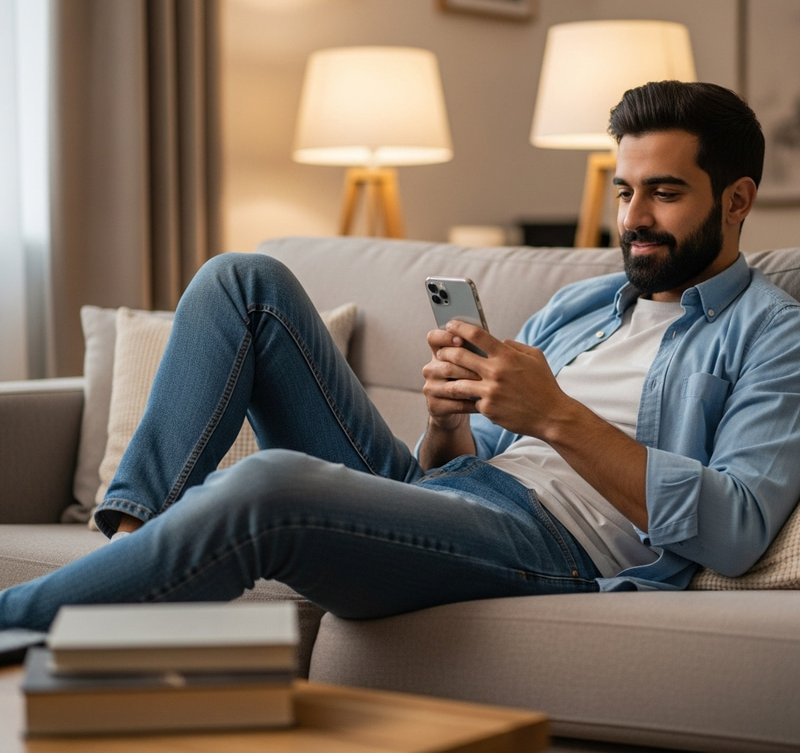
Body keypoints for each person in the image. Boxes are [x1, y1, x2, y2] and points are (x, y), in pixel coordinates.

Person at [2, 80, 799, 632]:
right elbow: (470, 462)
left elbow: (734, 529)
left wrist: (557, 416)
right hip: (456, 492)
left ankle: (19, 621)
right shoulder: (585, 303)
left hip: (551, 547)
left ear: (735, 200)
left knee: (269, 483)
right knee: (242, 281)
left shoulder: (774, 335)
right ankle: (130, 547)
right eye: (624, 192)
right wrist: (449, 425)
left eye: (664, 192)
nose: (634, 218)